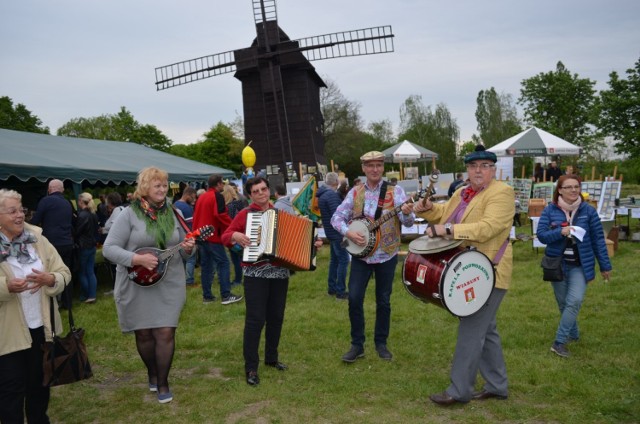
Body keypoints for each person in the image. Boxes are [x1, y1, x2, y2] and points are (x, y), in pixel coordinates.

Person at [412, 145, 514, 406]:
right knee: (485, 329)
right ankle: (497, 384)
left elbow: (488, 228)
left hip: (488, 269)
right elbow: (443, 214)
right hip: (469, 267)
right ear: (467, 170)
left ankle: (459, 391)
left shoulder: (501, 192)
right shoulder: (462, 192)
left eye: (484, 166)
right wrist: (425, 207)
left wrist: (445, 229)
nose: (478, 171)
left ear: (493, 169)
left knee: (471, 329)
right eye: (473, 166)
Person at [102, 167, 196, 404]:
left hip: (169, 282)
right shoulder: (129, 214)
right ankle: (152, 372)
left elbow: (186, 248)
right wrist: (136, 259)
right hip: (137, 282)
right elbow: (109, 248)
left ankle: (163, 382)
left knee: (165, 331)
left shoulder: (173, 212)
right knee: (144, 333)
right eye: (157, 186)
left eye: (165, 185)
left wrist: (189, 248)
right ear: (145, 188)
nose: (162, 190)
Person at [222, 176, 323, 386]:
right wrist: (236, 237)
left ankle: (271, 358)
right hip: (255, 275)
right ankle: (251, 367)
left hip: (279, 274)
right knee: (255, 320)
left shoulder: (281, 214)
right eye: (256, 191)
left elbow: (300, 238)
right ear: (250, 195)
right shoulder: (245, 214)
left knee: (276, 317)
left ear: (269, 190)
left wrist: (314, 244)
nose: (261, 193)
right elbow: (226, 235)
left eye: (263, 189)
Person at [331, 151, 414, 363]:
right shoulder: (355, 192)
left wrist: (405, 212)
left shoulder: (396, 192)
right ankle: (357, 345)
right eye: (370, 166)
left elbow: (409, 222)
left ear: (383, 167)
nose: (375, 169)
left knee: (383, 301)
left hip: (386, 254)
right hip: (361, 257)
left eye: (378, 165)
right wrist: (348, 232)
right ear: (364, 169)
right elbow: (336, 217)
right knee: (355, 298)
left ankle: (381, 343)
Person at [0, 189, 71, 423]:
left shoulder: (37, 238)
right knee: (10, 392)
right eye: (12, 211)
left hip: (41, 327)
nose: (20, 215)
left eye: (22, 210)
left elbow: (63, 272)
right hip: (7, 334)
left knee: (40, 387)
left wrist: (51, 279)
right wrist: (6, 287)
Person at [536, 174, 612, 358]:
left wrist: (604, 265)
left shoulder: (588, 211)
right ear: (560, 190)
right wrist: (560, 232)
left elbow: (598, 240)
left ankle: (559, 342)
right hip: (557, 264)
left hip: (580, 265)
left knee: (575, 301)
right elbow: (541, 235)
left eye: (576, 186)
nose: (573, 190)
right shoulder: (549, 210)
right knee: (564, 304)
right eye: (568, 187)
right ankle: (574, 333)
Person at [192, 174, 242, 305]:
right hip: (212, 236)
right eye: (222, 183)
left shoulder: (201, 197)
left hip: (201, 236)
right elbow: (220, 215)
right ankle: (226, 295)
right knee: (224, 263)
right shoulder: (217, 196)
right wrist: (233, 227)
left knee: (206, 266)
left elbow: (196, 216)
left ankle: (207, 296)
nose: (223, 186)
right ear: (219, 184)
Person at [30, 179, 75, 308]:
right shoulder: (67, 203)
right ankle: (68, 302)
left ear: (49, 189)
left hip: (52, 243)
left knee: (50, 274)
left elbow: (35, 221)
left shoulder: (46, 201)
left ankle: (52, 302)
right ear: (62, 190)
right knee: (66, 272)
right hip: (67, 242)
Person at [316, 172, 349, 300]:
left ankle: (332, 288)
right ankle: (340, 292)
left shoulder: (323, 195)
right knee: (343, 260)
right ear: (336, 182)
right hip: (338, 234)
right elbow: (338, 216)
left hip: (330, 233)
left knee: (334, 260)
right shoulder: (332, 196)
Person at [74, 192, 99, 303]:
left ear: (80, 202)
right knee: (90, 271)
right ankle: (92, 295)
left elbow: (77, 232)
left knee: (82, 272)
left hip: (83, 246)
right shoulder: (93, 213)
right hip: (92, 245)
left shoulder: (82, 215)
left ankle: (85, 295)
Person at [222, 184, 247, 287]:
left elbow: (230, 223)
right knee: (243, 258)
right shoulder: (240, 203)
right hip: (243, 233)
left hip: (234, 235)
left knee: (236, 259)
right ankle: (244, 278)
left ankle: (237, 280)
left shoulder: (229, 207)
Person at [173, 187, 197, 287]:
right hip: (187, 237)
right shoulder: (187, 208)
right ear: (188, 195)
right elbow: (190, 225)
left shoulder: (174, 204)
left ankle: (181, 278)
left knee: (181, 259)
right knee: (191, 259)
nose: (194, 200)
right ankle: (189, 280)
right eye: (193, 197)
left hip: (177, 236)